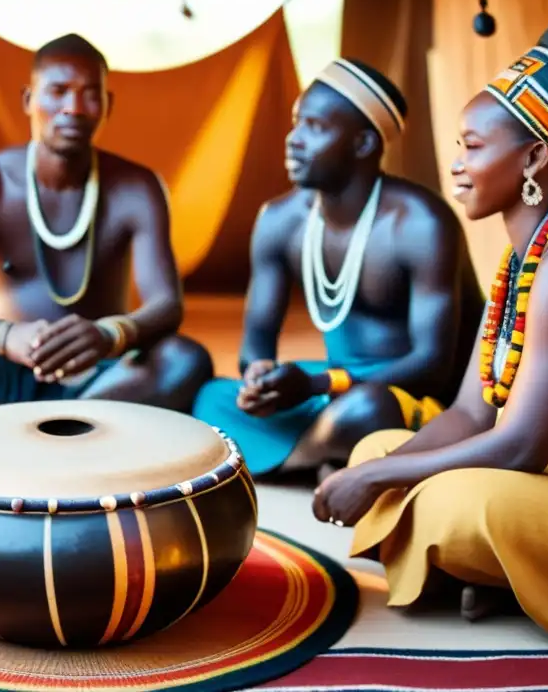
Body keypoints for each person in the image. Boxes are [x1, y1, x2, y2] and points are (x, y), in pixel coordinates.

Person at [313, 21, 548, 638]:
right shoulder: (518, 260)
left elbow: (520, 445)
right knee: (375, 448)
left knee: (455, 500)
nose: (456, 165)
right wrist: (371, 468)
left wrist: (372, 481)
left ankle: (511, 573)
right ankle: (513, 578)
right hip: (545, 481)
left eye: (473, 147)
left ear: (532, 158)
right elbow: (472, 414)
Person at [0, 34, 213, 424]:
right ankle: (62, 437)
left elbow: (167, 306)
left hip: (98, 378)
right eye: (58, 91)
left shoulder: (136, 188)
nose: (73, 108)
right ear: (28, 100)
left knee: (185, 359)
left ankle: (35, 436)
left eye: (90, 93)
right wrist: (6, 337)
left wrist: (109, 335)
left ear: (108, 105)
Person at [192, 58, 485, 481]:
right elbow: (254, 345)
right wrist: (259, 376)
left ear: (364, 144)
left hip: (411, 399)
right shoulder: (280, 220)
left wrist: (316, 386)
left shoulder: (420, 223)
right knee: (212, 399)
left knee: (368, 410)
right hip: (329, 389)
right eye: (297, 123)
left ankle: (283, 459)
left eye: (315, 127)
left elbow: (432, 365)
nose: (293, 140)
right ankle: (324, 454)